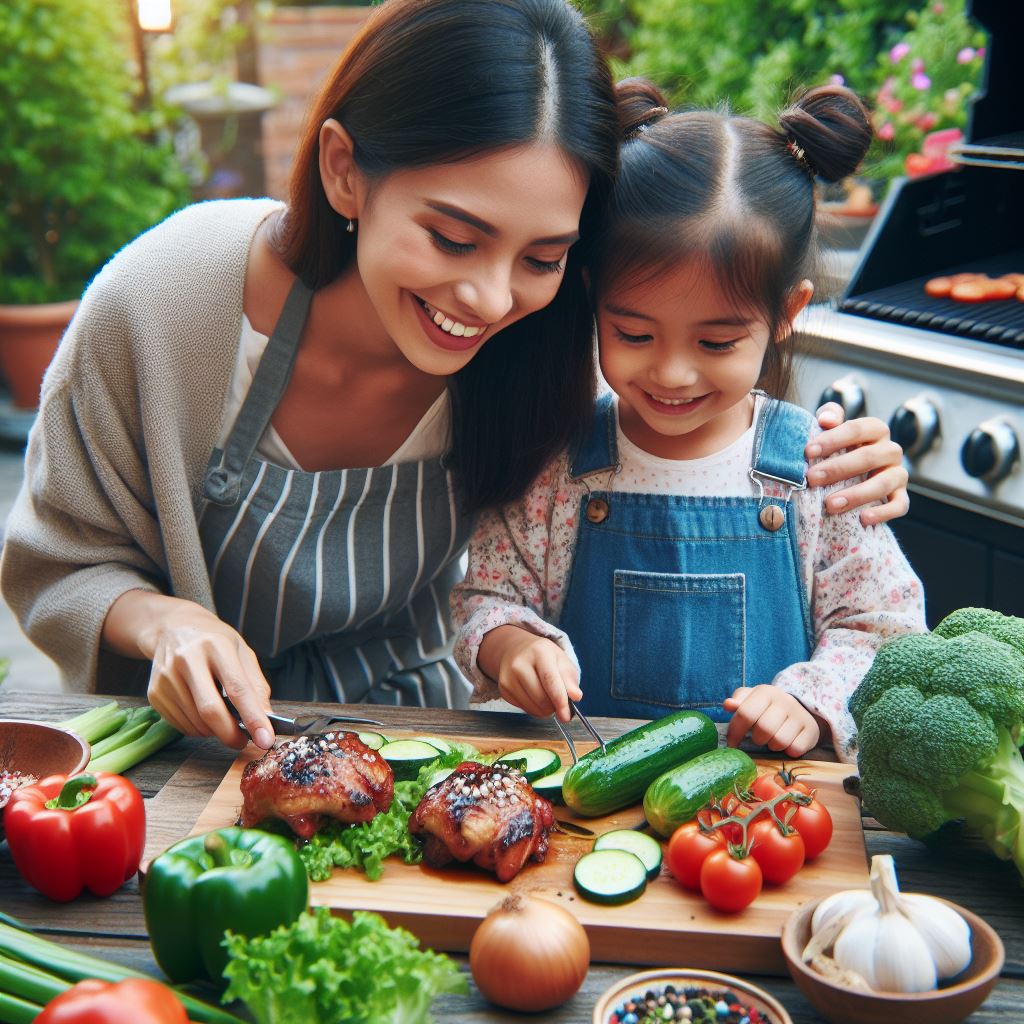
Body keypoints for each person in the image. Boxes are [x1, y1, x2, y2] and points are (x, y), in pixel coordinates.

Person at [1, 0, 908, 755]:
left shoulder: (541, 342)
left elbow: (691, 405)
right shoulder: (168, 304)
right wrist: (165, 623)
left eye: (544, 255)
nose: (487, 298)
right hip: (190, 756)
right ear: (346, 170)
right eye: (453, 236)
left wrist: (843, 458)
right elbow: (56, 563)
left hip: (420, 741)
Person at [451, 81, 926, 764]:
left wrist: (810, 698)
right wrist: (511, 646)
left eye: (715, 343)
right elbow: (485, 595)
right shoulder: (557, 463)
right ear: (593, 298)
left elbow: (884, 628)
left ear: (786, 313)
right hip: (582, 801)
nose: (672, 374)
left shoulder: (819, 472)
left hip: (759, 821)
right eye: (635, 334)